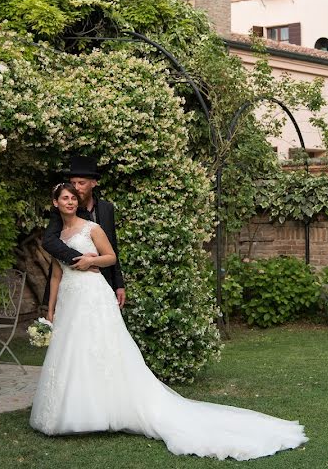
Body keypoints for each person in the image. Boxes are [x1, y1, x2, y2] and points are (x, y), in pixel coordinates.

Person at [29, 184, 307, 460]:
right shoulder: (58, 236)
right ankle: (73, 411)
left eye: (73, 198)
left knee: (99, 349)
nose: (70, 202)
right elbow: (56, 275)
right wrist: (51, 310)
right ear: (55, 203)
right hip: (69, 298)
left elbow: (111, 257)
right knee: (73, 351)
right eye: (65, 198)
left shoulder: (92, 228)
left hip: (92, 295)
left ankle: (106, 410)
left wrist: (92, 259)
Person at [42, 156, 125, 308]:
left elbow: (112, 247)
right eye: (73, 183)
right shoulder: (65, 210)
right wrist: (79, 259)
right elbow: (49, 241)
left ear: (93, 183)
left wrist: (119, 284)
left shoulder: (107, 208)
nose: (77, 187)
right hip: (71, 283)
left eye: (81, 183)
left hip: (102, 282)